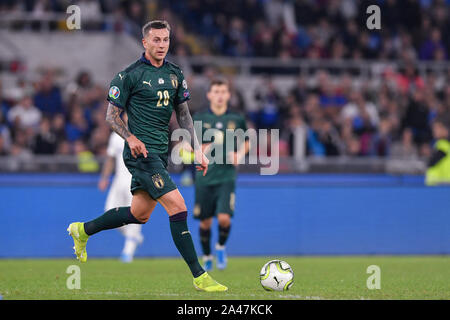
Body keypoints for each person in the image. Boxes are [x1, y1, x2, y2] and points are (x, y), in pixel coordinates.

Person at [67, 20, 227, 292]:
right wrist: (130, 137)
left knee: (139, 215)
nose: (162, 45)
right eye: (156, 40)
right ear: (144, 42)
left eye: (165, 40)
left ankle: (82, 230)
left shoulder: (176, 73)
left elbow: (184, 114)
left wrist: (198, 149)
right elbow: (111, 116)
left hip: (159, 154)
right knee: (178, 207)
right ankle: (200, 275)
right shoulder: (128, 75)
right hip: (140, 155)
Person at [192, 78, 250, 271]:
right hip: (204, 178)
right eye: (215, 91)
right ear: (209, 95)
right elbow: (186, 146)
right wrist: (198, 150)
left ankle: (221, 248)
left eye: (223, 91)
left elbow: (247, 141)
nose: (219, 95)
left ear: (228, 95)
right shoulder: (199, 118)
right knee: (205, 222)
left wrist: (240, 154)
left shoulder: (236, 119)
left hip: (226, 176)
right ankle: (207, 256)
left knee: (224, 218)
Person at [98, 116, 144, 263]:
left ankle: (128, 251)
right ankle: (134, 237)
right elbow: (110, 159)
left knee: (134, 214)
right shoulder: (116, 136)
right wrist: (104, 178)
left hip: (135, 180)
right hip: (119, 180)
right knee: (109, 212)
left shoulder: (142, 135)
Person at [425, 117, 450, 186]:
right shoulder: (438, 144)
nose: (434, 130)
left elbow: (432, 162)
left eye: (437, 128)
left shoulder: (444, 145)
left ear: (445, 129)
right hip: (440, 184)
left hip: (442, 184)